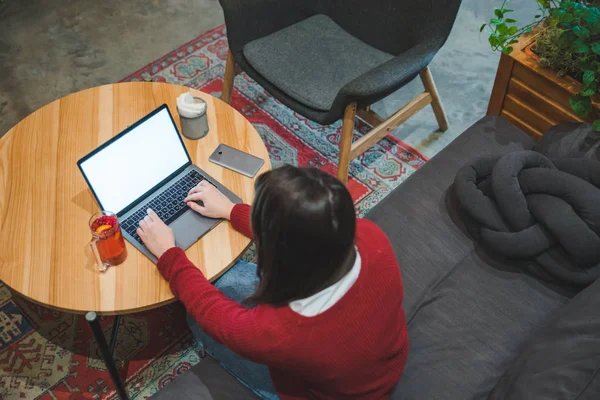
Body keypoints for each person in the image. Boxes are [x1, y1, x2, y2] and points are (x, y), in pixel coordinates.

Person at [137, 165, 408, 399]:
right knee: (227, 280)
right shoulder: (371, 235)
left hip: (327, 393)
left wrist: (169, 255)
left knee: (197, 318)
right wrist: (231, 210)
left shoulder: (281, 334)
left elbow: (215, 316)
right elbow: (307, 233)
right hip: (384, 363)